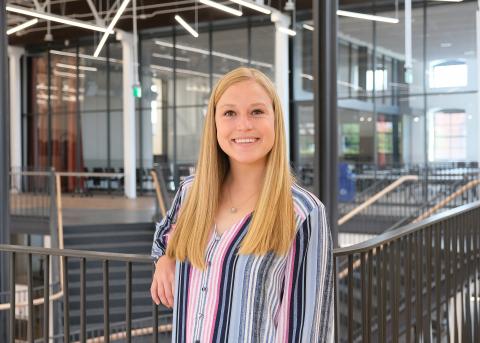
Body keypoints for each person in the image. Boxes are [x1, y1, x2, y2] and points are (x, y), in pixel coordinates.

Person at [150, 67, 333, 342]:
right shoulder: (191, 193)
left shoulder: (303, 212)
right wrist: (165, 259)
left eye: (257, 112)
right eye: (229, 113)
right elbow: (164, 236)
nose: (243, 125)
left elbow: (308, 328)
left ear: (275, 121)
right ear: (214, 123)